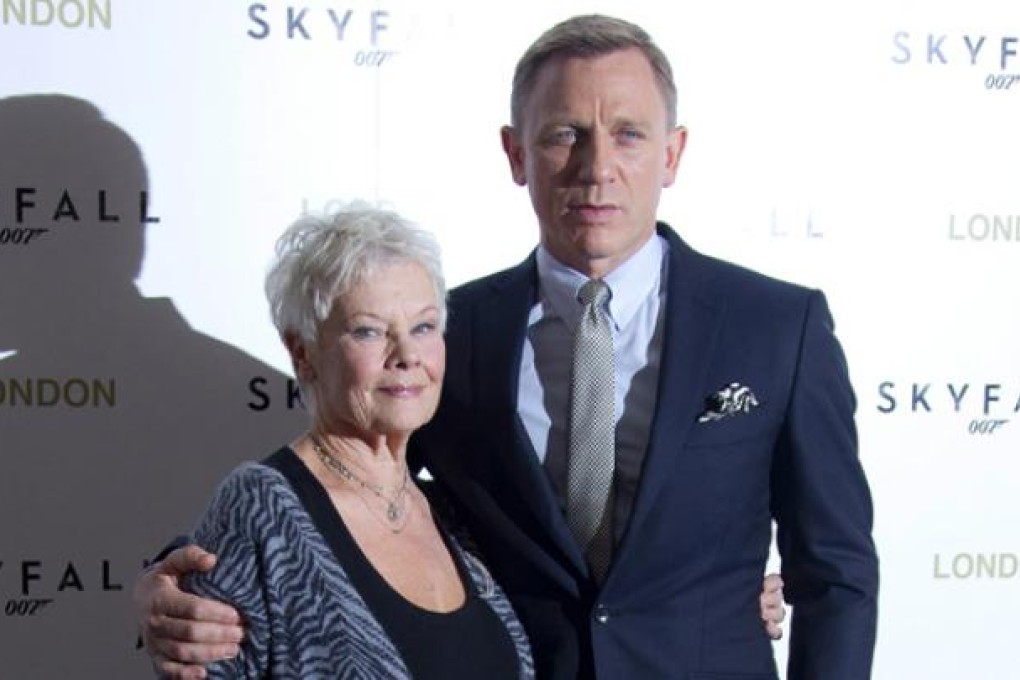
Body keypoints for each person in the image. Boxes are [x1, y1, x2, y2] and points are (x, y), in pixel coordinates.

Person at [136, 13, 876, 679]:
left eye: (627, 133)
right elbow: (356, 487)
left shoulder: (779, 326)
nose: (596, 168)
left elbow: (835, 571)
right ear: (516, 153)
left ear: (672, 154)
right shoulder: (451, 332)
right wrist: (187, 575)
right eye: (564, 134)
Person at [170, 205, 534, 677]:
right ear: (303, 352)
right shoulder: (262, 508)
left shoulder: (453, 511)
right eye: (369, 331)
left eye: (423, 327)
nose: (406, 355)